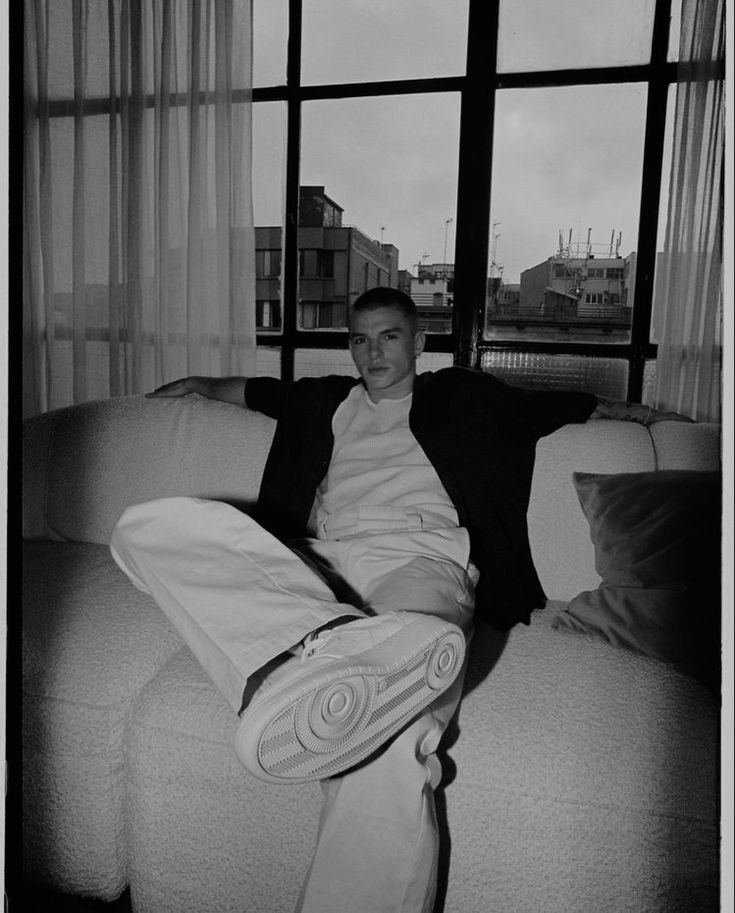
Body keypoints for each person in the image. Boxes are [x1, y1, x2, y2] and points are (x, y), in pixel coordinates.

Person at [110, 287, 687, 913]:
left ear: (418, 343)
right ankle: (327, 640)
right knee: (144, 528)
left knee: (386, 735)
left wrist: (646, 414)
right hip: (317, 563)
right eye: (360, 338)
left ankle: (318, 659)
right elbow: (247, 390)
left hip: (419, 558)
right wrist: (196, 380)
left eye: (389, 336)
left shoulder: (461, 395)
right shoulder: (323, 400)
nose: (373, 351)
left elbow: (561, 406)